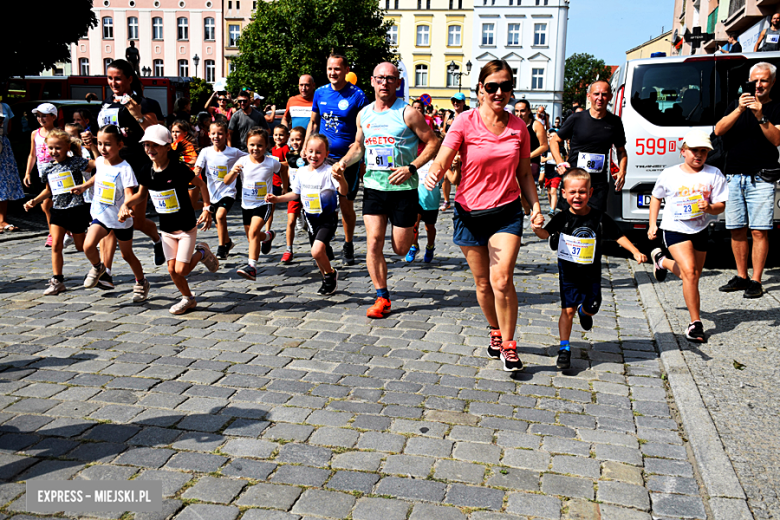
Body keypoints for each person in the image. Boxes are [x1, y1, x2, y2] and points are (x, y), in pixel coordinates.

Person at [425, 59, 541, 372]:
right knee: (482, 284)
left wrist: (537, 207)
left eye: (505, 86)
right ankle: (494, 328)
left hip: (506, 212)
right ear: (480, 89)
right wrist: (434, 173)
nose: (499, 92)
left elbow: (524, 174)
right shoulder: (464, 121)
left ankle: (509, 344)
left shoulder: (519, 128)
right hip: (469, 212)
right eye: (492, 86)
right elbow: (445, 155)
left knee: (501, 280)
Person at [334, 62, 439, 318]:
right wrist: (344, 162)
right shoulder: (364, 114)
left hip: (404, 189)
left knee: (401, 250)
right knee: (373, 243)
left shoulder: (408, 113)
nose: (384, 83)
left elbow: (434, 142)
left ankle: (411, 226)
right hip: (374, 187)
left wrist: (412, 168)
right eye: (380, 78)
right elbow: (358, 147)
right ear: (372, 81)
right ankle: (382, 297)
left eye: (390, 79)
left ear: (397, 82)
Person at [532, 169, 647, 370]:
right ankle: (564, 348)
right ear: (564, 194)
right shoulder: (562, 218)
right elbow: (545, 234)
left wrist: (635, 251)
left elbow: (618, 235)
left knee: (592, 307)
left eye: (582, 192)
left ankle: (584, 313)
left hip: (591, 274)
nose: (577, 196)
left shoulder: (599, 217)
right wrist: (536, 229)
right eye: (573, 192)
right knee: (566, 309)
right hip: (568, 272)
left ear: (591, 192)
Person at [120, 125, 217, 315]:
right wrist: (126, 205)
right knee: (172, 270)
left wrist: (207, 208)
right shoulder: (146, 169)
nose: (150, 149)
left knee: (182, 270)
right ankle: (188, 299)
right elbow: (141, 195)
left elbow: (201, 184)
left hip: (186, 227)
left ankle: (202, 252)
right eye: (146, 145)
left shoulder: (178, 169)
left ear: (167, 146)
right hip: (166, 229)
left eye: (154, 145)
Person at [648, 130, 728, 343]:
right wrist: (652, 224)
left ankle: (662, 261)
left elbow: (721, 206)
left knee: (690, 276)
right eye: (694, 150)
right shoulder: (670, 174)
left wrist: (710, 207)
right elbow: (656, 197)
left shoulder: (714, 174)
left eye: (703, 151)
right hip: (674, 228)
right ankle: (695, 323)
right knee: (690, 273)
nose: (698, 155)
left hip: (699, 230)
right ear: (683, 151)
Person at [713, 61, 780, 298]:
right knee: (736, 229)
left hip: (761, 178)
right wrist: (740, 109)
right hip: (733, 177)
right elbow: (719, 131)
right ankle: (741, 276)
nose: (758, 85)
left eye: (764, 80)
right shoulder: (735, 105)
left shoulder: (775, 108)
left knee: (760, 230)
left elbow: (776, 140)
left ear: (772, 83)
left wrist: (761, 116)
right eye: (755, 81)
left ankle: (756, 280)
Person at [92, 59, 166, 270]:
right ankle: (105, 272)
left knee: (137, 220)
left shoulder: (145, 103)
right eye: (110, 78)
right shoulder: (105, 104)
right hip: (111, 166)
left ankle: (158, 240)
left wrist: (138, 115)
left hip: (135, 166)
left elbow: (158, 133)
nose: (113, 83)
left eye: (118, 78)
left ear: (129, 79)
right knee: (109, 221)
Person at [71, 125, 150, 302]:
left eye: (107, 144)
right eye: (99, 144)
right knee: (88, 246)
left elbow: (131, 194)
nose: (102, 148)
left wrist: (126, 208)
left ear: (120, 145)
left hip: (120, 219)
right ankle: (99, 268)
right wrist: (84, 186)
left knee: (127, 255)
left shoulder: (125, 169)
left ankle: (141, 282)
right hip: (100, 216)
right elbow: (98, 176)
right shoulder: (99, 161)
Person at [267, 134, 348, 294]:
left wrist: (342, 178)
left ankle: (330, 275)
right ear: (305, 152)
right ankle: (327, 278)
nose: (314, 155)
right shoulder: (301, 172)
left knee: (316, 251)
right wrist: (277, 199)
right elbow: (295, 194)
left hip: (327, 219)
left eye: (318, 152)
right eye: (310, 151)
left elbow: (343, 191)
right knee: (318, 255)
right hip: (310, 220)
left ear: (326, 153)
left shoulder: (329, 172)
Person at [306, 54, 367, 266]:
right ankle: (324, 241)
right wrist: (307, 146)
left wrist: (359, 144)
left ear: (346, 70)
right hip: (323, 158)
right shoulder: (320, 92)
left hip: (347, 161)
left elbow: (363, 127)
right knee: (320, 202)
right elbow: (314, 122)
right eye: (330, 68)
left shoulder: (357, 95)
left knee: (345, 204)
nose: (333, 73)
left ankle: (348, 243)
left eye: (338, 69)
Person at [23, 130, 94, 295]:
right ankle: (57, 280)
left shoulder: (76, 162)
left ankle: (98, 268)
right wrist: (34, 201)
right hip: (58, 210)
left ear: (67, 147)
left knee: (80, 246)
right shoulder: (48, 168)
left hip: (76, 208)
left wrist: (93, 149)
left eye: (58, 148)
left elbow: (99, 166)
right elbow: (49, 190)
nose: (54, 151)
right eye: (51, 148)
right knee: (56, 245)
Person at [550, 80, 628, 212]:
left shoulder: (614, 122)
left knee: (595, 223)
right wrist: (560, 162)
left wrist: (622, 171)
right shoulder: (577, 119)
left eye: (604, 94)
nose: (600, 98)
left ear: (610, 97)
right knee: (569, 222)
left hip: (597, 184)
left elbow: (621, 151)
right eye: (596, 94)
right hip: (574, 180)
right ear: (589, 96)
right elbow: (554, 140)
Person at [224, 128, 280, 281]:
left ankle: (252, 267)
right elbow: (226, 181)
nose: (255, 148)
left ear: (266, 146)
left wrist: (284, 189)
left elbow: (284, 168)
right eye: (252, 145)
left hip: (263, 204)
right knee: (252, 237)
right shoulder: (242, 161)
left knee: (254, 233)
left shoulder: (271, 162)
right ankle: (268, 237)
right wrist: (233, 172)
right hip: (246, 205)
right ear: (247, 145)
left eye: (260, 145)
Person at [194, 121, 247, 259]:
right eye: (213, 133)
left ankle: (221, 248)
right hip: (212, 195)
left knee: (219, 216)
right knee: (219, 223)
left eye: (220, 133)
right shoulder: (205, 152)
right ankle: (228, 242)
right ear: (208, 135)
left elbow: (250, 158)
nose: (216, 136)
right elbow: (197, 169)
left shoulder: (233, 152)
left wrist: (270, 159)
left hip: (228, 192)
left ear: (226, 135)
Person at [24, 103, 58, 247]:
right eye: (38, 116)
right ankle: (58, 232)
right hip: (41, 172)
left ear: (53, 117)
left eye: (44, 115)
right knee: (48, 205)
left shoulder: (58, 133)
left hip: (55, 172)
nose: (41, 119)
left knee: (46, 205)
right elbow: (32, 154)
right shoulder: (35, 133)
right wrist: (28, 172)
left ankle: (54, 233)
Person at [515, 100, 549, 215]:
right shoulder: (514, 125)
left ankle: (527, 211)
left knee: (522, 190)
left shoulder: (536, 125)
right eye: (517, 111)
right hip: (515, 161)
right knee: (519, 192)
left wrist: (527, 156)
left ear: (529, 111)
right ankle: (525, 211)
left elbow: (544, 146)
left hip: (531, 162)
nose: (519, 114)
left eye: (522, 111)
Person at [440, 92, 470, 211]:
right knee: (445, 176)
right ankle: (447, 200)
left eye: (458, 101)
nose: (455, 103)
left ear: (463, 102)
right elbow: (443, 131)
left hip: (461, 151)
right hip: (449, 150)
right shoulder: (449, 116)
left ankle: (459, 200)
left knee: (459, 177)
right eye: (454, 101)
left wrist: (455, 126)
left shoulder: (467, 116)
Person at [281, 126, 307, 264]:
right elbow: (287, 168)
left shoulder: (310, 154)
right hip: (294, 192)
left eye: (298, 139)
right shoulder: (289, 154)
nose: (295, 142)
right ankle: (288, 249)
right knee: (290, 221)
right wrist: (285, 187)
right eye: (292, 139)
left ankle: (321, 246)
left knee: (313, 222)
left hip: (309, 192)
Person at [0, 102, 24, 232]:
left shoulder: (5, 107)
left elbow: (9, 128)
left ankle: (2, 220)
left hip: (3, 143)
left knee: (4, 181)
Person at [268, 125, 291, 235]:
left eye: (281, 135)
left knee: (290, 205)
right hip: (274, 181)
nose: (278, 137)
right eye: (276, 134)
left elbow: (289, 163)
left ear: (287, 136)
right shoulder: (272, 149)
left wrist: (275, 163)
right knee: (270, 206)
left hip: (284, 181)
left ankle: (296, 221)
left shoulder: (286, 148)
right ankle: (268, 229)